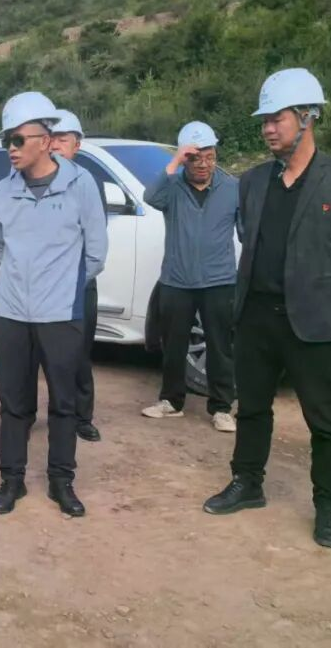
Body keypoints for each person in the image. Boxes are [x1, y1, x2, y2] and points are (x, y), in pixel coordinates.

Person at [203, 68, 331, 549]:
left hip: (316, 323)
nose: (268, 129)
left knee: (324, 420)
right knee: (252, 408)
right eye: (264, 121)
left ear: (308, 117)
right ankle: (248, 482)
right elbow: (251, 241)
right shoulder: (253, 183)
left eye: (277, 119)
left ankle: (329, 506)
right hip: (257, 317)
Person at [0, 93, 107, 518]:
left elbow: (95, 254)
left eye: (19, 139)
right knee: (14, 403)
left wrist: (59, 287)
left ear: (44, 140)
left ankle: (61, 481)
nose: (11, 148)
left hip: (60, 314)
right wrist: (24, 283)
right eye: (7, 140)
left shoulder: (81, 184)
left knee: (64, 402)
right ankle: (12, 480)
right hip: (11, 314)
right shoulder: (3, 190)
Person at [141, 121, 239, 432]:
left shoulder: (232, 188)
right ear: (185, 159)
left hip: (219, 281)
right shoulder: (172, 188)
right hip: (177, 280)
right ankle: (171, 401)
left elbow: (247, 232)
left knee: (220, 347)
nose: (204, 164)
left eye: (209, 157)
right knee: (174, 345)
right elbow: (150, 196)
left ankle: (222, 408)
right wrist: (174, 162)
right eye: (195, 158)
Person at [50, 109, 102, 442]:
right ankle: (27, 414)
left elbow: (95, 243)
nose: (55, 145)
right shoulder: (29, 181)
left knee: (79, 354)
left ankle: (82, 418)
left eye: (63, 139)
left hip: (78, 286)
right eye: (51, 138)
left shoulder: (86, 184)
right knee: (34, 358)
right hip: (39, 289)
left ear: (77, 145)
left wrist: (74, 281)